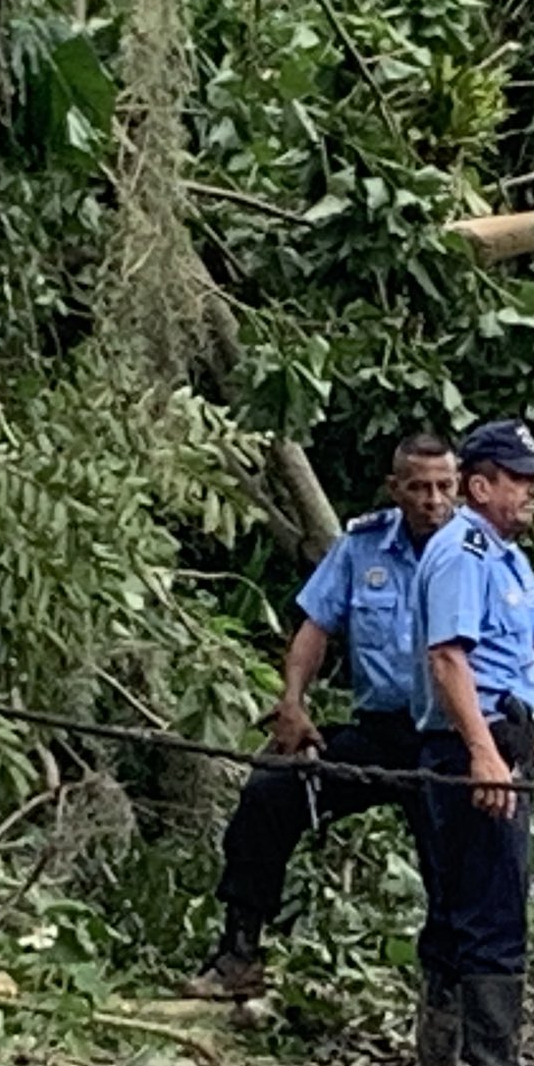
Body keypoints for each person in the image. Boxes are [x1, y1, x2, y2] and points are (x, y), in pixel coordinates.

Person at [187, 433, 458, 1019]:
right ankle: (239, 953)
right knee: (271, 791)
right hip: (380, 730)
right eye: (419, 487)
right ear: (396, 489)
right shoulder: (362, 548)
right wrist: (292, 702)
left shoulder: (475, 551)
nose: (433, 500)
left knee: (454, 862)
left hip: (450, 739)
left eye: (444, 487)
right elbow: (315, 627)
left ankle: (454, 998)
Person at [413, 419, 534, 1066]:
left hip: (509, 735)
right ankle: (493, 1063)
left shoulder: (506, 554)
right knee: (491, 902)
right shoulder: (462, 552)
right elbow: (449, 657)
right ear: (481, 485)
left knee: (470, 898)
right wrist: (484, 751)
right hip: (474, 745)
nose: (532, 491)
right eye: (519, 479)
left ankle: (445, 1058)